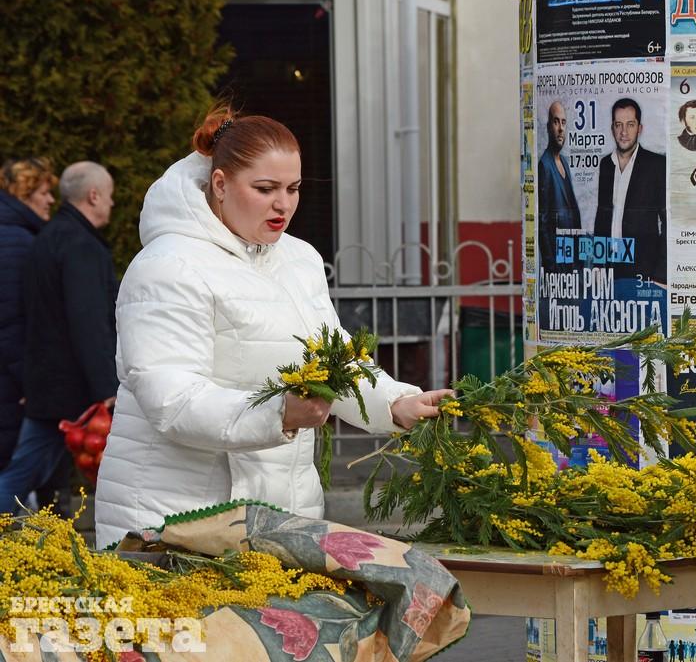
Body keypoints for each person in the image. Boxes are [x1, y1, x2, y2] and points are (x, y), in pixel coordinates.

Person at [94, 106, 450, 549]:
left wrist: (396, 403)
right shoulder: (168, 266)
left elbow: (333, 361)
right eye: (265, 189)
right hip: (174, 514)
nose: (283, 204)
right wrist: (278, 413)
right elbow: (171, 399)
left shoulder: (299, 259)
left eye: (293, 188)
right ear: (220, 184)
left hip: (281, 511)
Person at [0, 161, 118, 514]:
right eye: (109, 196)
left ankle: (54, 541)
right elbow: (88, 321)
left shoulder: (50, 237)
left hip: (49, 386)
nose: (112, 203)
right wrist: (105, 387)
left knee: (41, 479)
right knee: (19, 478)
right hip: (66, 392)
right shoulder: (80, 245)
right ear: (93, 196)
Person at [0, 158, 57, 469]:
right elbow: (10, 323)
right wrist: (30, 383)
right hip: (10, 384)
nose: (50, 200)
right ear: (23, 194)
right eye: (44, 192)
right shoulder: (16, 242)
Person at [593, 98, 667, 284]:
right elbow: (602, 216)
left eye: (630, 125)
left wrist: (661, 275)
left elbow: (668, 222)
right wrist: (598, 263)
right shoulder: (606, 164)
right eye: (618, 125)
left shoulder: (657, 165)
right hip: (610, 265)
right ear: (612, 128)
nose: (624, 132)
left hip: (645, 269)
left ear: (639, 128)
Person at [537, 100, 581, 272]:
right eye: (556, 122)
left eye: (563, 122)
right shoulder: (544, 165)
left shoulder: (564, 162)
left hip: (572, 255)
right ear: (549, 127)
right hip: (557, 262)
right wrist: (550, 265)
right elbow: (542, 222)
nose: (561, 128)